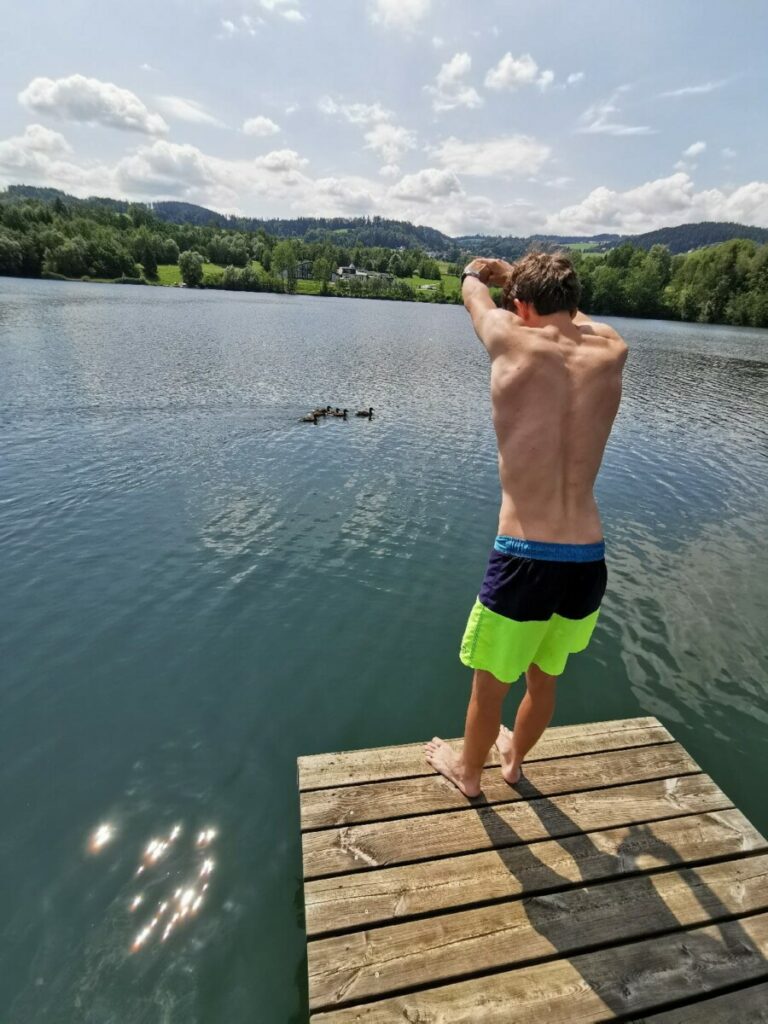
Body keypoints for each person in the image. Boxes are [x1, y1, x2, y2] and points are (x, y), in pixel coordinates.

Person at [425, 251, 628, 797]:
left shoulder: (508, 337)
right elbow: (573, 318)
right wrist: (528, 279)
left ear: (519, 304)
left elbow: (473, 295)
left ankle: (468, 773)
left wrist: (478, 272)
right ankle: (512, 760)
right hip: (588, 557)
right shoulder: (611, 349)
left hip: (525, 554)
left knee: (489, 684)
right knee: (545, 676)